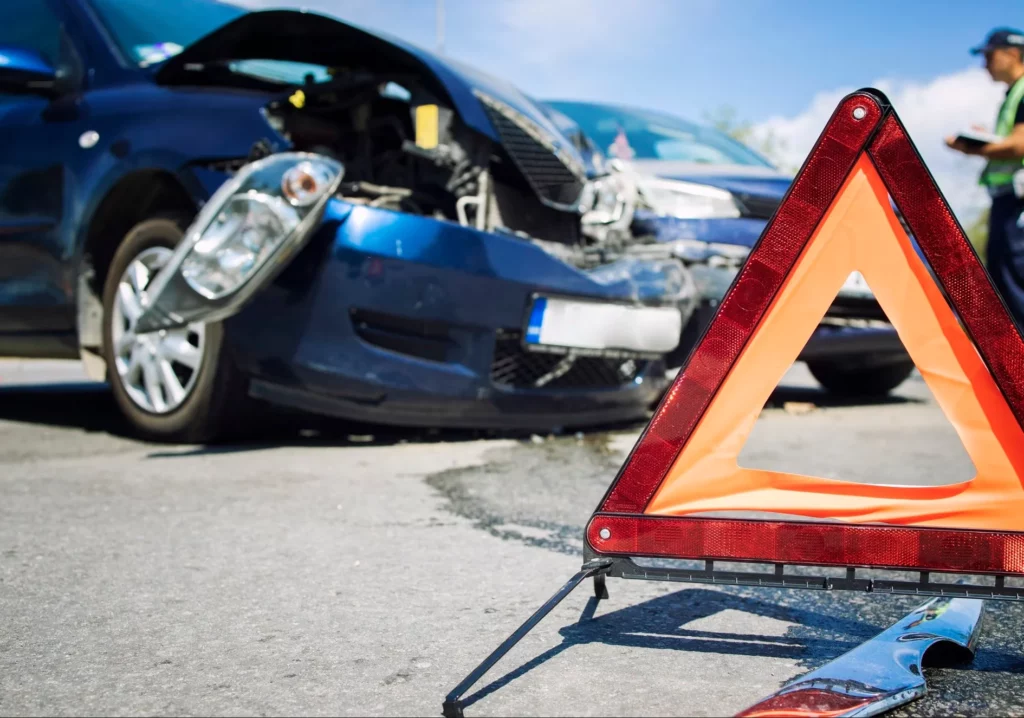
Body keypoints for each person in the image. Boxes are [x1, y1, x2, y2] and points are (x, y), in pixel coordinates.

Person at [946, 28, 1024, 329]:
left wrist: (973, 147)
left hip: (1017, 206)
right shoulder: (1014, 93)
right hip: (1009, 204)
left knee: (1015, 286)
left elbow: (1019, 144)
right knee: (1006, 284)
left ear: (1013, 53)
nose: (985, 64)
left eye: (990, 56)